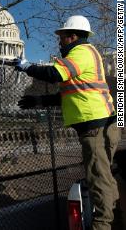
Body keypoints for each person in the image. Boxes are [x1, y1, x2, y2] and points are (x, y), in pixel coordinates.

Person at [14, 15, 120, 230]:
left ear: (72, 36)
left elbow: (55, 74)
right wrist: (40, 101)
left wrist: (27, 67)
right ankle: (115, 215)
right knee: (105, 176)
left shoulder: (80, 53)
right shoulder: (86, 54)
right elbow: (74, 93)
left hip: (95, 125)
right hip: (101, 122)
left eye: (61, 37)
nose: (59, 41)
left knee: (98, 179)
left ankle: (103, 225)